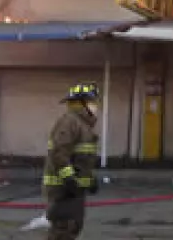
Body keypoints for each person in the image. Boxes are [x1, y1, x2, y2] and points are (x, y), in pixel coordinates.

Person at [42, 83, 101, 240]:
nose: (95, 105)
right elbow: (59, 153)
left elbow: (80, 159)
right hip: (63, 191)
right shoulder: (70, 122)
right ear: (81, 103)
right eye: (92, 101)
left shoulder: (82, 124)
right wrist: (68, 179)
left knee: (71, 228)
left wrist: (89, 180)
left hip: (74, 191)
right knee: (63, 230)